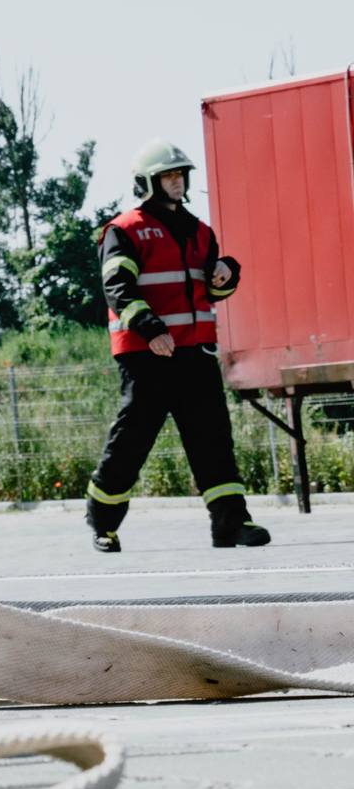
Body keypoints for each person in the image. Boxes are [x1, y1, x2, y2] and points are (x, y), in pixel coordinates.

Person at [88, 141, 266, 552]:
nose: (177, 181)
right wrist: (152, 330)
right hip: (147, 355)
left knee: (213, 440)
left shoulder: (201, 231)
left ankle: (231, 524)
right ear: (148, 182)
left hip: (195, 353)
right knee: (131, 443)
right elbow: (117, 288)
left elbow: (209, 291)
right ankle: (103, 523)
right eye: (169, 175)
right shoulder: (124, 230)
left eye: (180, 175)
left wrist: (227, 272)